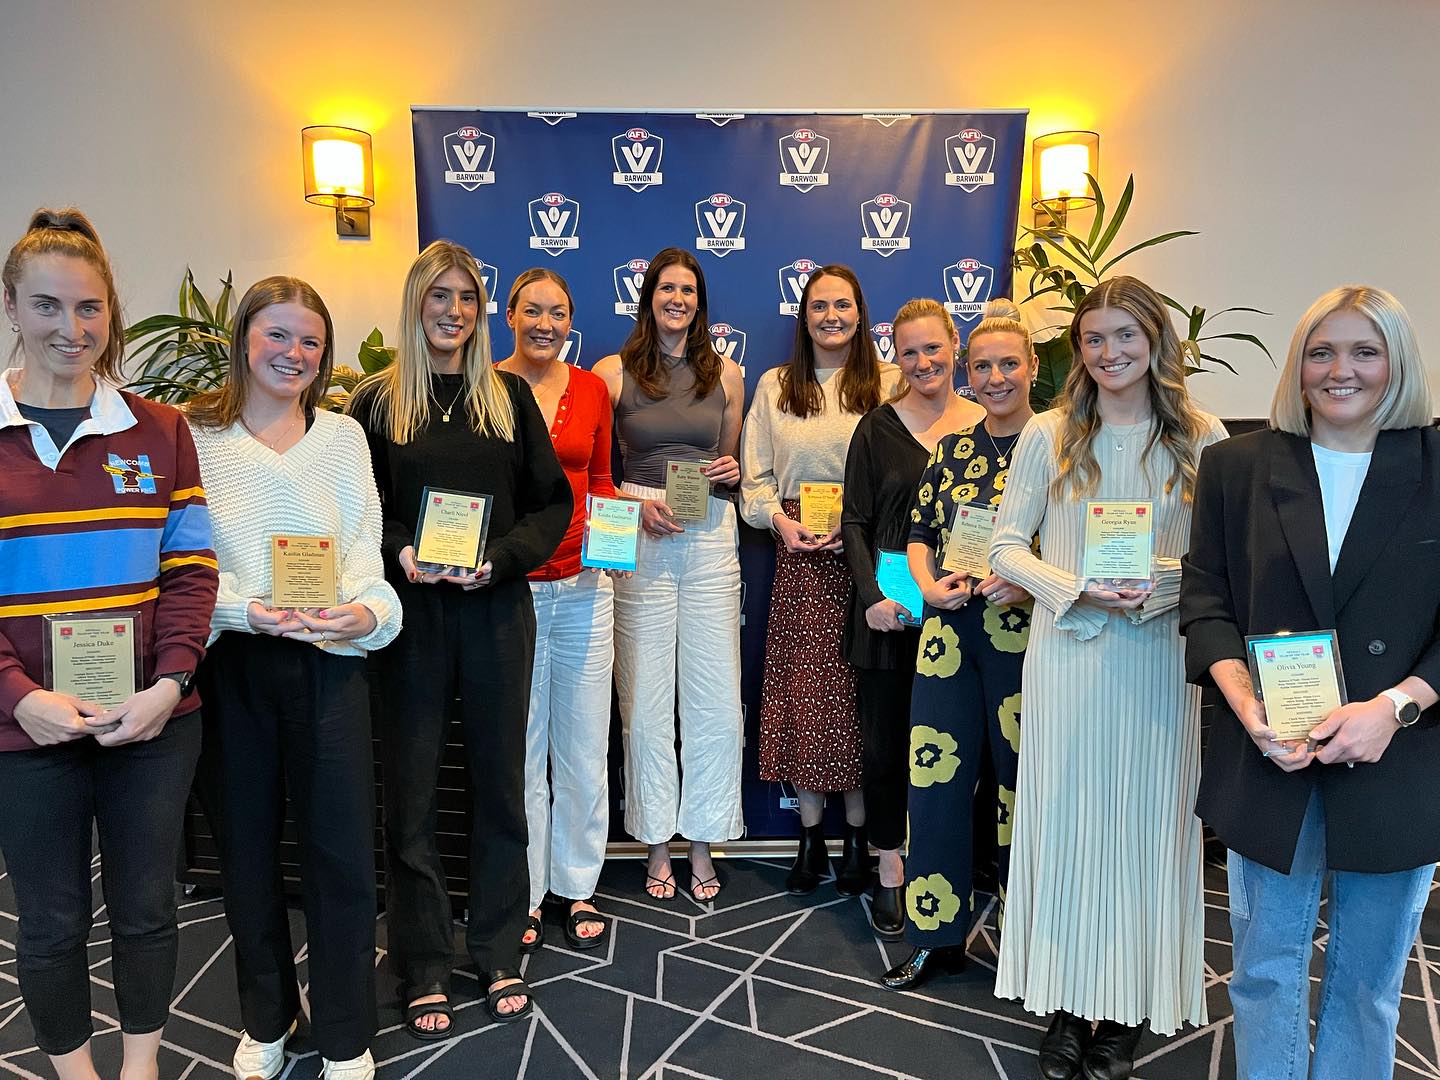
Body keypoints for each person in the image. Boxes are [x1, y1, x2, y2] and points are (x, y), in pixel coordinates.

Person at [1180, 286, 1440, 1080]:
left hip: (1398, 758)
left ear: (1397, 362)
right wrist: (1247, 707)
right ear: (1298, 366)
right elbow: (1206, 600)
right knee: (1264, 971)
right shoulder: (1236, 466)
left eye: (1365, 351)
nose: (1340, 370)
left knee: (1368, 984)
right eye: (1321, 352)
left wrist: (1394, 708)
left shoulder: (1436, 466)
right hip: (1270, 754)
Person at [0, 208, 218, 1080]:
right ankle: (75, 1073)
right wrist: (20, 698)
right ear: (12, 307)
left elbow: (191, 571)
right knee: (51, 921)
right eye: (47, 306)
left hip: (150, 721)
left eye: (89, 308)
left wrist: (170, 684)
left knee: (146, 909)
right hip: (24, 729)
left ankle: (140, 1066)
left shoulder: (160, 430)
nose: (71, 327)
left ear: (111, 312)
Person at [990, 276, 1226, 1080]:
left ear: (1156, 339)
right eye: (1094, 338)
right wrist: (1076, 586)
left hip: (1158, 660)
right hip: (1068, 655)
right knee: (1065, 827)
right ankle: (1063, 1001)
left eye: (1125, 334)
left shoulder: (1202, 436)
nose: (1109, 351)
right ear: (1078, 351)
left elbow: (1217, 563)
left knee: (1144, 830)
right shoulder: (1047, 433)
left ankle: (1124, 1008)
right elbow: (1005, 547)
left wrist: (1157, 585)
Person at [348, 241, 571, 1035]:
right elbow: (360, 510)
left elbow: (552, 504)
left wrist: (502, 559)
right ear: (417, 302)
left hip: (494, 612)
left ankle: (499, 948)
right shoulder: (377, 402)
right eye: (439, 295)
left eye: (467, 297)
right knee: (410, 796)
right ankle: (423, 963)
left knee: (500, 787)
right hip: (410, 620)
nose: (454, 311)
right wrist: (399, 549)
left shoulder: (508, 397)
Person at [188, 276, 401, 1080]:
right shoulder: (196, 436)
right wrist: (245, 611)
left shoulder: (342, 439)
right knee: (246, 854)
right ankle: (267, 1019)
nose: (294, 353)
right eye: (277, 334)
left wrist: (367, 613)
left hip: (329, 666)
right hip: (234, 664)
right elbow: (184, 564)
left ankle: (346, 1034)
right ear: (244, 337)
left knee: (341, 855)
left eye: (310, 341)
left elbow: (366, 555)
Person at [881, 298, 1035, 991]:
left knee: (1021, 787)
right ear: (967, 372)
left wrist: (1029, 583)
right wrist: (925, 587)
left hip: (1022, 636)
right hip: (946, 632)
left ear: (1032, 367)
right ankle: (936, 934)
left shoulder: (1057, 447)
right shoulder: (952, 448)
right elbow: (918, 534)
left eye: (1009, 364)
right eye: (983, 366)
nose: (995, 378)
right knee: (935, 784)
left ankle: (1030, 943)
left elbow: (1070, 543)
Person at [740, 265, 898, 896]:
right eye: (819, 306)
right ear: (803, 317)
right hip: (800, 556)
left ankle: (859, 836)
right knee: (805, 698)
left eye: (843, 305)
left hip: (869, 556)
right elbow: (755, 480)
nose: (831, 316)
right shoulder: (776, 385)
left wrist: (858, 526)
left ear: (860, 314)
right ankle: (810, 836)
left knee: (863, 698)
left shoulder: (888, 382)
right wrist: (781, 522)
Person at [593, 247, 745, 903]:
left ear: (699, 302)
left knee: (716, 699)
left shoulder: (729, 374)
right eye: (666, 289)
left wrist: (731, 473)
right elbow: (597, 475)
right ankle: (656, 843)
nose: (677, 300)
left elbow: (727, 464)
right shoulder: (611, 372)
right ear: (649, 297)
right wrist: (634, 508)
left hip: (709, 532)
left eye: (688, 290)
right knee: (646, 701)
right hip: (640, 530)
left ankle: (703, 841)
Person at [842, 298, 984, 938]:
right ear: (894, 357)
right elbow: (854, 521)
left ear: (955, 345)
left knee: (963, 744)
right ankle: (891, 867)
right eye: (909, 352)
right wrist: (871, 597)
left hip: (969, 614)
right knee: (885, 745)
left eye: (933, 348)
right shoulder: (876, 429)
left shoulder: (988, 424)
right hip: (889, 613)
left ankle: (948, 862)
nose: (923, 362)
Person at [496, 269, 615, 953]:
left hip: (584, 587)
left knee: (583, 745)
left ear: (571, 321)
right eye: (533, 311)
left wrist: (612, 541)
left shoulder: (593, 389)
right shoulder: (484, 386)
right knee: (522, 745)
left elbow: (600, 480)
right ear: (509, 315)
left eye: (559, 313)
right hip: (511, 589)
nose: (546, 324)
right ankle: (527, 888)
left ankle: (578, 884)